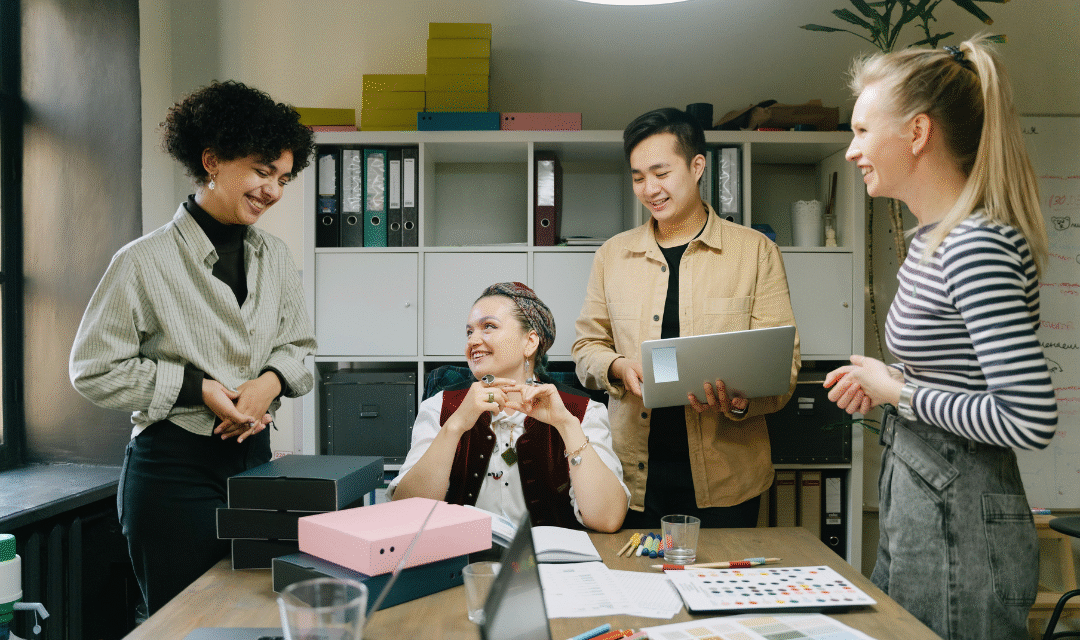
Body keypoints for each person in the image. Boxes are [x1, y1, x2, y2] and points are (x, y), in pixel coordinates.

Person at [823, 36, 1058, 640]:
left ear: (917, 133)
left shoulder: (975, 245)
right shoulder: (932, 242)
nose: (852, 152)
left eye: (862, 131)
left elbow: (1028, 418)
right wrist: (889, 385)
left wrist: (899, 392)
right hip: (924, 503)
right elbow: (958, 378)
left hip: (964, 523)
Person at [69, 80, 317, 615]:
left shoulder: (275, 256)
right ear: (212, 160)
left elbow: (300, 349)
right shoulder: (143, 261)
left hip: (256, 465)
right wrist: (196, 388)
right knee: (188, 625)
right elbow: (91, 369)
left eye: (283, 177)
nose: (272, 190)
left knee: (256, 617)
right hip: (172, 474)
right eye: (260, 170)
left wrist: (267, 384)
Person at [572, 107, 800, 529]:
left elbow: (783, 367)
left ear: (697, 166)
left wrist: (739, 401)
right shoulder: (612, 256)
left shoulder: (754, 252)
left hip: (728, 478)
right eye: (638, 177)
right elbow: (586, 348)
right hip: (631, 476)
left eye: (660, 173)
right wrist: (619, 367)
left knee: (720, 591)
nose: (649, 189)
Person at [389, 282, 628, 533]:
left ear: (530, 342)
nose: (473, 341)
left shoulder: (582, 411)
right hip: (463, 568)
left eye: (489, 327)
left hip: (549, 568)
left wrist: (567, 426)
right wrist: (456, 426)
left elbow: (608, 519)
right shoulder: (439, 408)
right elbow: (407, 514)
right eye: (469, 332)